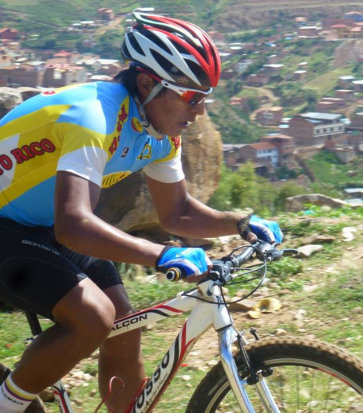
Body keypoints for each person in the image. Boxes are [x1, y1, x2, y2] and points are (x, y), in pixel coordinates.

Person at [0, 12, 282, 413]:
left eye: (206, 97)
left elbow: (179, 212)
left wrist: (239, 223)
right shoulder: (93, 116)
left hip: (36, 226)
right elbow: (73, 224)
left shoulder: (159, 132)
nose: (200, 111)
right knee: (94, 317)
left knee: (124, 325)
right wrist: (160, 254)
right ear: (149, 84)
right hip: (9, 227)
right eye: (192, 97)